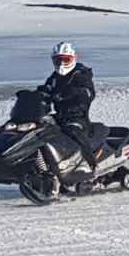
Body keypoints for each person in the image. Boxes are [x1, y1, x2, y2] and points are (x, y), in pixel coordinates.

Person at [37, 42, 98, 171]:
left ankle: (91, 164)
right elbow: (47, 89)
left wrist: (70, 93)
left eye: (66, 60)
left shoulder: (80, 75)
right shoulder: (54, 78)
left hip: (77, 117)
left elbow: (89, 92)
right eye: (58, 60)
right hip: (59, 117)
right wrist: (37, 95)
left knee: (74, 132)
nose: (62, 64)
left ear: (73, 59)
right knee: (39, 130)